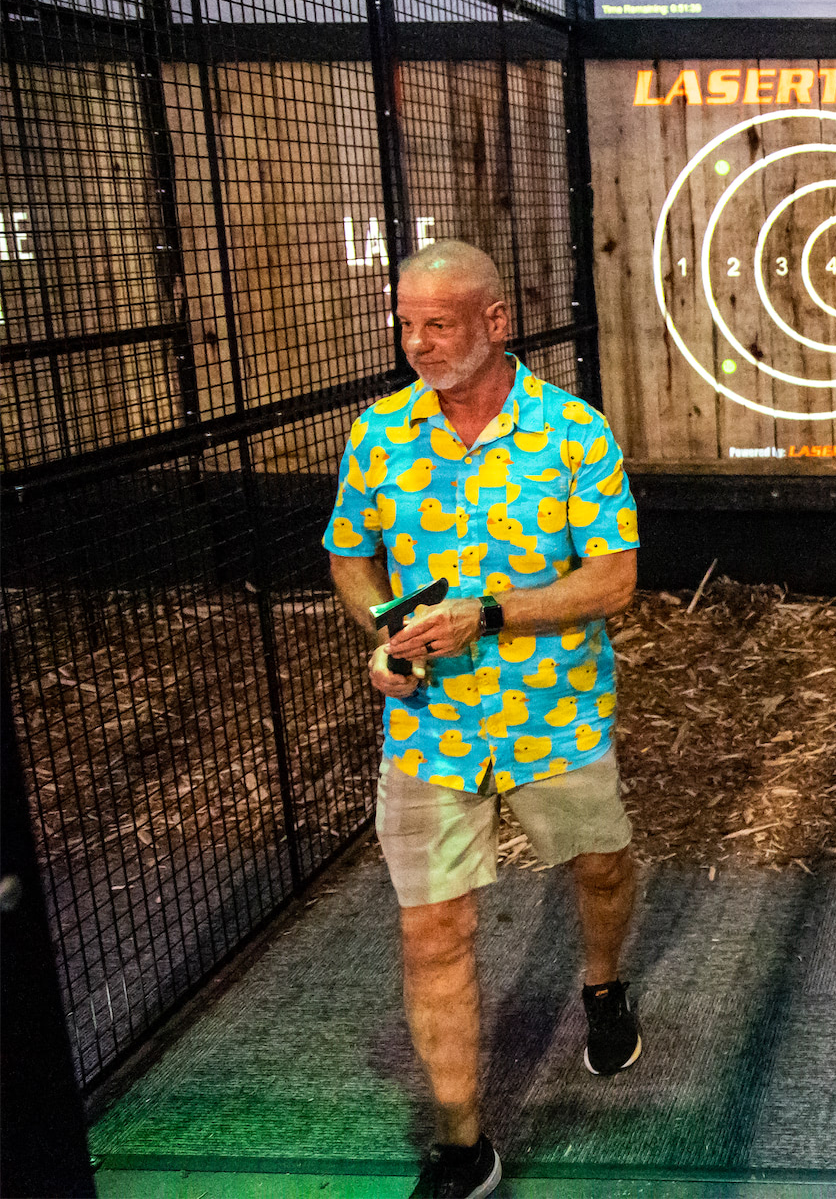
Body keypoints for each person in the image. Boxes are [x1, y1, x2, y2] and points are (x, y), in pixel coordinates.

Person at [324, 240, 644, 1199]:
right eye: (407, 323)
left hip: (558, 720)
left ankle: (602, 983)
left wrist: (493, 612)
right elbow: (351, 554)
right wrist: (386, 633)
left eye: (440, 324)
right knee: (432, 930)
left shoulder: (574, 436)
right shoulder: (377, 435)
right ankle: (464, 1142)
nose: (418, 343)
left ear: (495, 321)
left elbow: (616, 578)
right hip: (430, 726)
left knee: (601, 866)